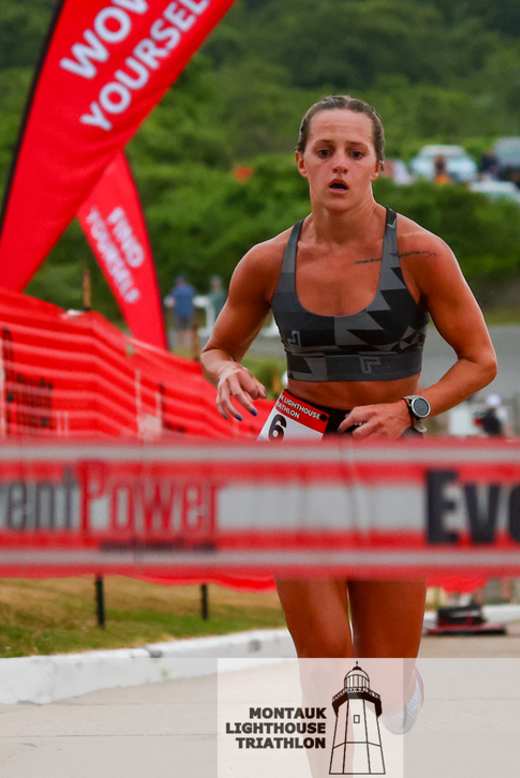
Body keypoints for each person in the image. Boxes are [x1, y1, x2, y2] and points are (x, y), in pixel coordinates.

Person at [200, 94, 497, 732]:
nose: (339, 165)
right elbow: (218, 346)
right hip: (300, 454)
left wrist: (409, 409)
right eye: (325, 151)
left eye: (354, 153)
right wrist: (228, 372)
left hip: (389, 458)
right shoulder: (267, 261)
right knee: (328, 661)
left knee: (382, 688)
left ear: (376, 168)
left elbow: (480, 360)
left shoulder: (421, 254)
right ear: (301, 163)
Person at [165, 274, 198, 357]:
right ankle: (188, 344)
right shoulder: (190, 290)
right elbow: (194, 300)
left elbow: (171, 302)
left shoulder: (176, 291)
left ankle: (182, 344)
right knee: (188, 328)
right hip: (188, 312)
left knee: (180, 329)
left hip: (179, 312)